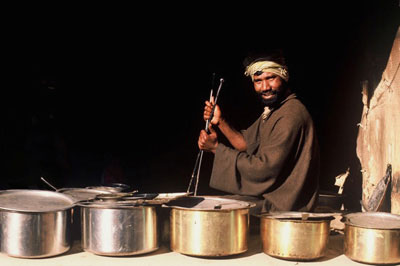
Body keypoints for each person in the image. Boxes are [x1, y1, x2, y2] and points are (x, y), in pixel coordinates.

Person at [198, 50, 320, 214]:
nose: (265, 87)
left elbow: (263, 170)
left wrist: (216, 148)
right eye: (258, 81)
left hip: (285, 209)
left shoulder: (290, 115)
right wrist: (220, 121)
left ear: (284, 76)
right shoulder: (276, 110)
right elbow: (246, 144)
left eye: (271, 78)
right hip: (273, 202)